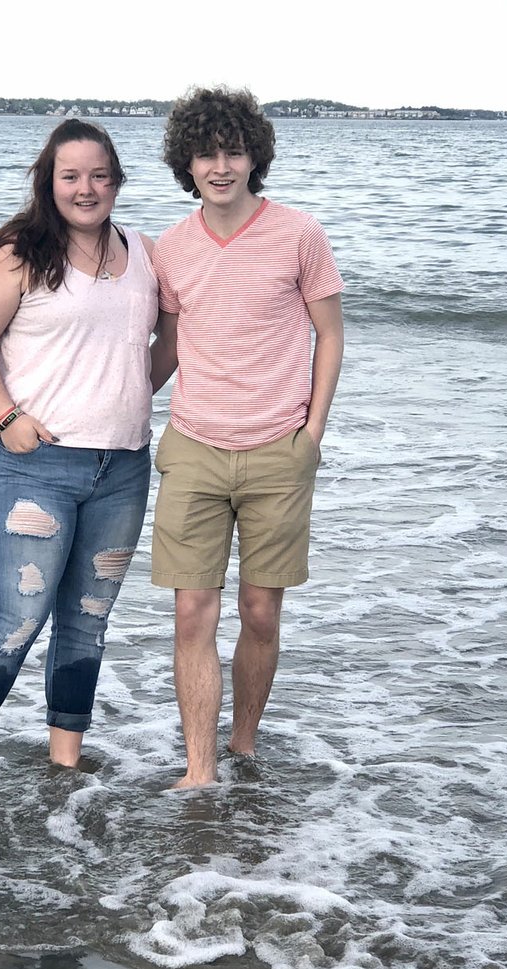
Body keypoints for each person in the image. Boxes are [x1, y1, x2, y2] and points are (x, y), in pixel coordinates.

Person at [0, 120, 158, 784]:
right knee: (17, 615)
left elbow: (160, 344)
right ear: (49, 181)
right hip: (35, 464)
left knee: (86, 621)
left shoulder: (142, 252)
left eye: (98, 175)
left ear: (116, 179)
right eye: (70, 176)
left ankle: (65, 765)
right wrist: (7, 418)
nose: (85, 189)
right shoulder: (17, 252)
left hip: (123, 466)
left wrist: (132, 395)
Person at [149, 87, 344, 788]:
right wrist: (104, 404)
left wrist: (311, 434)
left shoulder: (299, 233)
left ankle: (243, 742)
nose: (220, 166)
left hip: (277, 450)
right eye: (207, 153)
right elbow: (167, 347)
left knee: (260, 612)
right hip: (195, 447)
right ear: (187, 162)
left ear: (253, 156)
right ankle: (199, 770)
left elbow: (330, 333)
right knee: (190, 611)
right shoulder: (169, 248)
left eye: (233, 151)